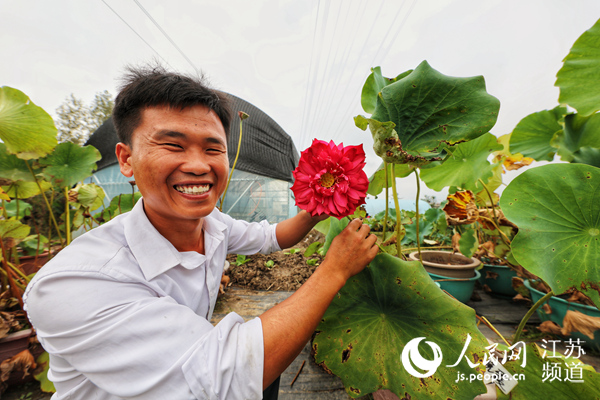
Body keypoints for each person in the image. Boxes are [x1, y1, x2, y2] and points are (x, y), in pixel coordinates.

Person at [24, 65, 378, 400]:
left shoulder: (213, 226)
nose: (197, 165)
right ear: (126, 159)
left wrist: (316, 210)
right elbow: (224, 378)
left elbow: (271, 237)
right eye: (173, 145)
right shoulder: (74, 284)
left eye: (213, 149)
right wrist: (335, 269)